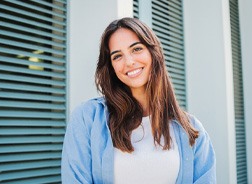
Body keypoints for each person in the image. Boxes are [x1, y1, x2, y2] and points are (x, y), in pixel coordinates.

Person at [62, 17, 216, 184]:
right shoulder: (87, 118)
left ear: (153, 53)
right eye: (117, 56)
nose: (129, 62)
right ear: (111, 67)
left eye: (136, 49)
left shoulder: (191, 129)